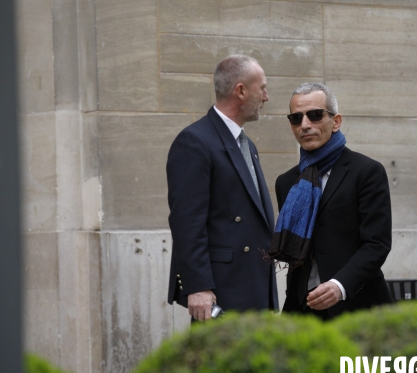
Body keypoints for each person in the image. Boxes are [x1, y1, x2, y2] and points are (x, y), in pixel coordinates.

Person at [166, 55, 278, 321]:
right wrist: (198, 286)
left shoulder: (246, 145)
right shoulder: (194, 141)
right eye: (262, 88)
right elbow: (186, 222)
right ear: (241, 91)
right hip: (222, 290)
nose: (266, 97)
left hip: (253, 283)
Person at [268, 83, 392, 320]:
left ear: (336, 122)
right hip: (303, 310)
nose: (305, 125)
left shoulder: (366, 171)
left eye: (315, 115)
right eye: (296, 118)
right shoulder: (286, 182)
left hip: (358, 307)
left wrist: (339, 285)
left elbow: (377, 244)